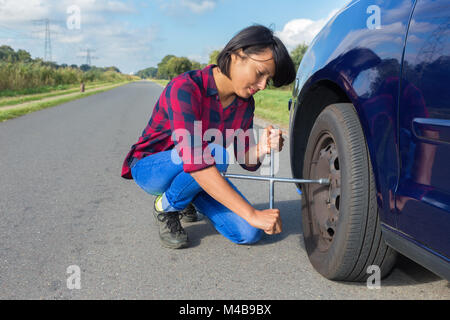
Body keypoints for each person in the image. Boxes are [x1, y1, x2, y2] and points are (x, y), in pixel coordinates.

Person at [121, 25, 296, 249]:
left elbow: (247, 161)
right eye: (260, 73)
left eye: (267, 80)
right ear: (236, 55)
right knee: (217, 154)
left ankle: (186, 195)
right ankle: (166, 206)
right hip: (152, 168)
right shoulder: (185, 87)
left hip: (198, 171)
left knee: (250, 232)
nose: (262, 85)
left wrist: (261, 148)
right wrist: (252, 212)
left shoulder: (245, 103)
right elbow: (197, 160)